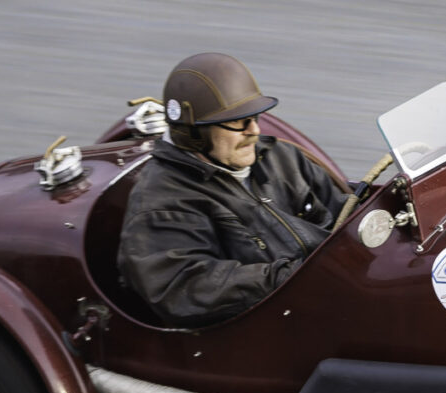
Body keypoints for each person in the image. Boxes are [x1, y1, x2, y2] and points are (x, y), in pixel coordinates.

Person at [118, 52, 350, 327]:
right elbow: (184, 287)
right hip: (271, 325)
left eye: (255, 117)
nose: (254, 130)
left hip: (334, 291)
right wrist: (294, 278)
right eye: (239, 122)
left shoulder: (281, 158)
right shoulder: (162, 202)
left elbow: (344, 211)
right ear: (194, 134)